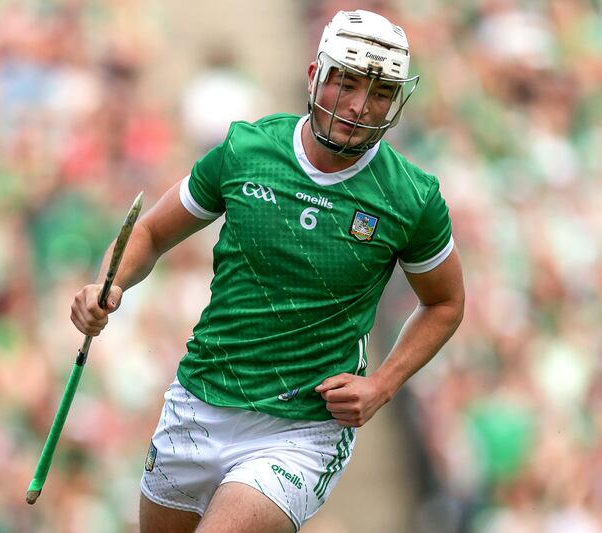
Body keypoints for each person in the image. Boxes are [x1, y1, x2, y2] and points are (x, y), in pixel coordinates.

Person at [70, 9, 464, 533]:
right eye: (346, 83)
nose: (357, 106)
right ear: (314, 76)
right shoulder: (247, 150)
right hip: (199, 402)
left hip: (299, 430)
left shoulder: (412, 198)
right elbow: (150, 232)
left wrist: (384, 384)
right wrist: (109, 285)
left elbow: (445, 302)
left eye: (379, 93)